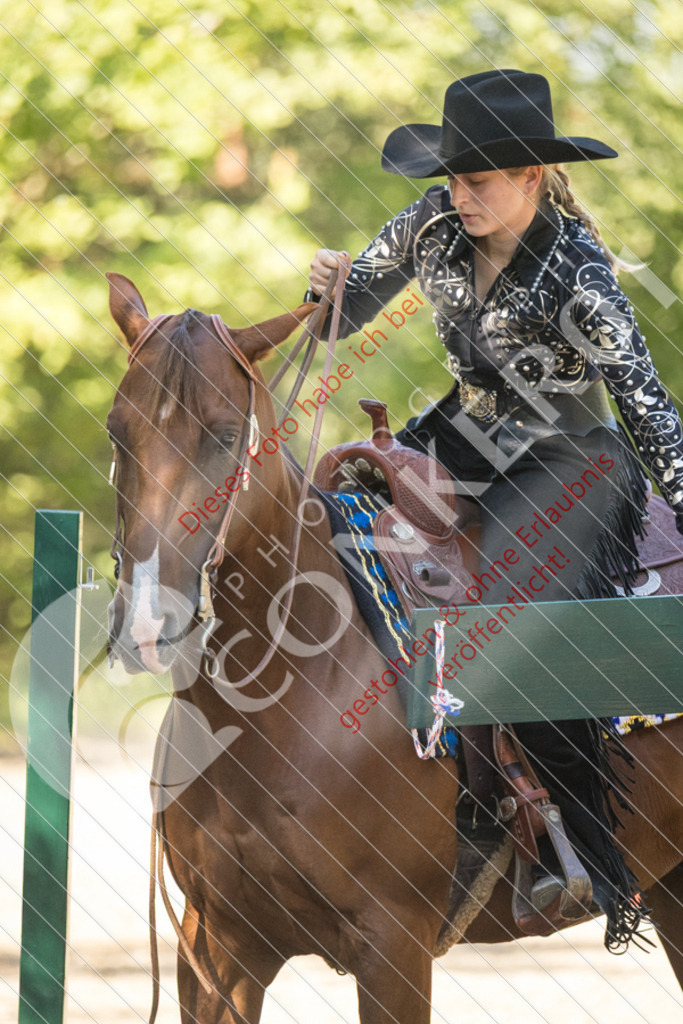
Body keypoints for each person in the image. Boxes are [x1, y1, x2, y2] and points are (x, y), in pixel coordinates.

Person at [307, 68, 683, 948]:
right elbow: (342, 313)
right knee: (336, 519)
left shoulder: (579, 271)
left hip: (569, 464)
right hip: (463, 444)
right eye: (452, 176)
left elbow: (643, 403)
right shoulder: (430, 225)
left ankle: (572, 845)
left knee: (525, 624)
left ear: (529, 179)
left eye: (479, 180)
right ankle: (375, 774)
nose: (459, 194)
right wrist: (327, 284)